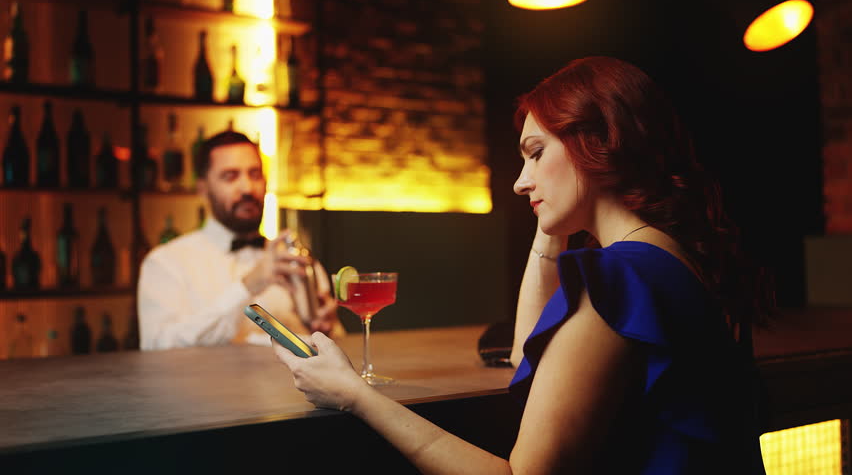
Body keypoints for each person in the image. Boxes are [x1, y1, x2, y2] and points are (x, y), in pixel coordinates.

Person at [271, 57, 772, 474]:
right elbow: (527, 358)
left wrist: (354, 396)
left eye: (535, 154)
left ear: (598, 143)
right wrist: (554, 217)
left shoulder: (618, 278)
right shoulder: (674, 257)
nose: (519, 182)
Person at [138, 130, 344, 351]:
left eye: (255, 174)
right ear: (203, 189)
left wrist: (327, 329)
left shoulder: (297, 259)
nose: (247, 188)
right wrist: (248, 285)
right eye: (230, 176)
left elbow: (336, 345)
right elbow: (157, 346)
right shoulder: (166, 263)